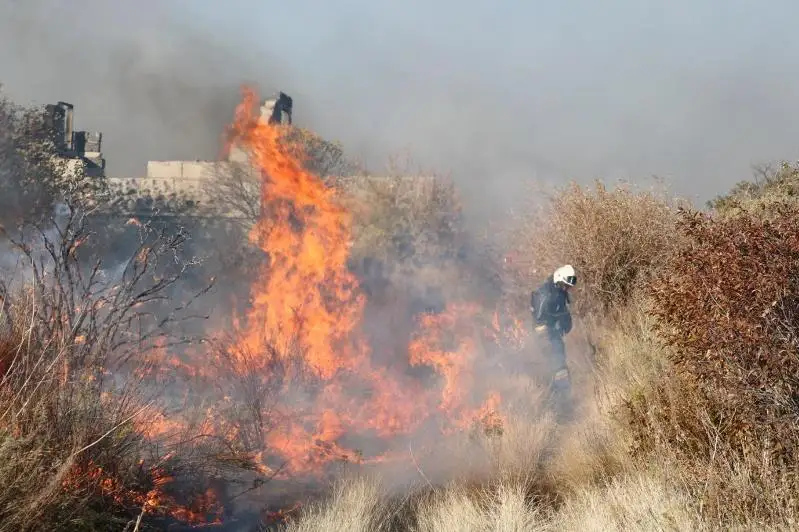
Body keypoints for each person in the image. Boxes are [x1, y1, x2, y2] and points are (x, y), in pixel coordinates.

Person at [530, 264, 576, 389]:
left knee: (559, 358)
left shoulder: (559, 291)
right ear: (559, 280)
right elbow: (540, 318)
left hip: (552, 331)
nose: (567, 289)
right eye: (565, 285)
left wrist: (562, 324)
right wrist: (558, 319)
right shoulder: (547, 294)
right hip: (544, 332)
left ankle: (558, 390)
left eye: (568, 286)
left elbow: (562, 310)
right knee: (557, 361)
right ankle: (561, 395)